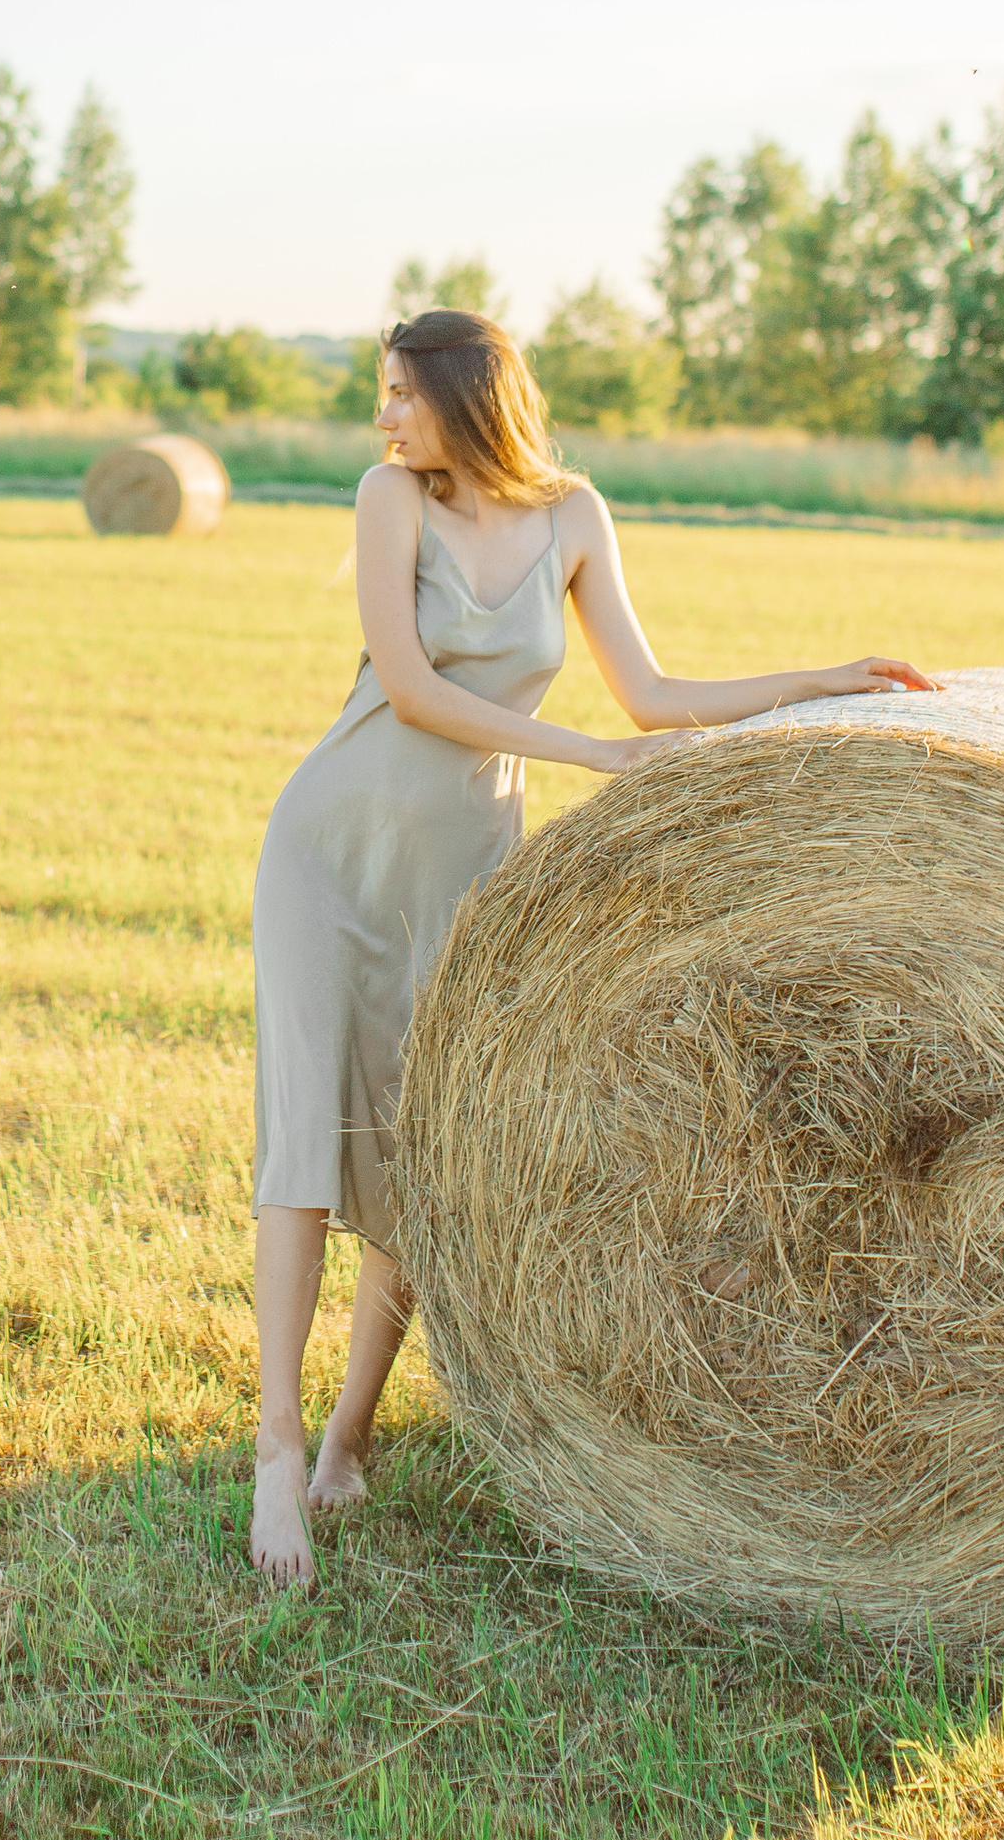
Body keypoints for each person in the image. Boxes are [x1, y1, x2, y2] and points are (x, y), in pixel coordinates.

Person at [248, 306, 935, 1587]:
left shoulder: (574, 515)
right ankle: (277, 1451)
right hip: (327, 851)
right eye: (381, 395)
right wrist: (586, 758)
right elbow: (407, 688)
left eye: (399, 393)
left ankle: (351, 1435)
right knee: (300, 1138)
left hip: (462, 871)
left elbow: (653, 694)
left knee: (419, 1152)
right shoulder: (389, 498)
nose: (382, 417)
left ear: (463, 392)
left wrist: (820, 678)